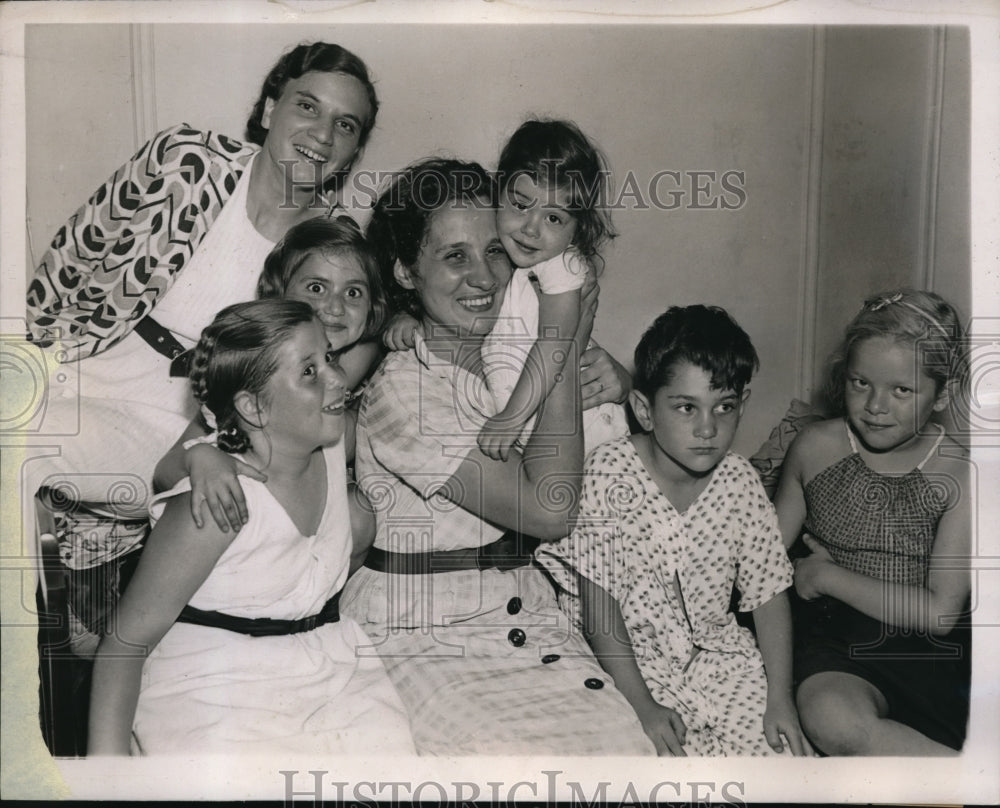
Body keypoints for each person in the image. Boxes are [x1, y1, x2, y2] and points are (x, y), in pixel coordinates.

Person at [339, 157, 655, 756]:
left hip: (528, 607)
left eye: (495, 251)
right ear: (405, 270)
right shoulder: (403, 390)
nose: (483, 277)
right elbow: (550, 510)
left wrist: (617, 379)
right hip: (422, 628)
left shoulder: (511, 360)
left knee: (625, 753)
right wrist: (563, 345)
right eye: (454, 256)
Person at [24, 41, 379, 525]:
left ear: (353, 153)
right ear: (270, 109)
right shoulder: (186, 161)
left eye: (345, 124)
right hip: (72, 360)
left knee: (21, 448)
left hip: (172, 430)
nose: (322, 134)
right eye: (307, 106)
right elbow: (70, 260)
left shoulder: (330, 248)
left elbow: (357, 337)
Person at [87, 299, 415, 756]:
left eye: (330, 357)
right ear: (253, 407)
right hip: (215, 686)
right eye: (309, 372)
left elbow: (381, 359)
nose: (339, 379)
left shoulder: (331, 444)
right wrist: (106, 772)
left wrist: (406, 319)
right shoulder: (216, 505)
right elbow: (126, 642)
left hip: (329, 669)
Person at [538, 305, 810, 757]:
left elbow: (769, 596)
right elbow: (600, 611)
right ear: (645, 410)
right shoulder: (609, 472)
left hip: (721, 659)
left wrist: (780, 698)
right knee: (667, 768)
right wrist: (643, 706)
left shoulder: (740, 481)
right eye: (686, 408)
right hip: (629, 663)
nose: (708, 428)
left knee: (783, 762)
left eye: (724, 407)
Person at [773, 288, 971, 755]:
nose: (875, 405)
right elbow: (761, 558)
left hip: (924, 648)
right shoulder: (814, 447)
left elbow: (940, 613)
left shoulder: (960, 473)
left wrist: (825, 576)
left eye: (902, 390)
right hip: (834, 640)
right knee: (830, 718)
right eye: (860, 383)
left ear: (943, 393)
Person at [382, 118, 628, 461]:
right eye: (521, 205)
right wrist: (408, 316)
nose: (531, 229)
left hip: (594, 440)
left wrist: (512, 417)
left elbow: (555, 345)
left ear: (577, 229)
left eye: (554, 218)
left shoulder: (560, 267)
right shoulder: (519, 267)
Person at [153, 215, 388, 533]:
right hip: (243, 507)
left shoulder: (363, 351)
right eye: (316, 288)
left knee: (358, 513)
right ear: (278, 294)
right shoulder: (254, 364)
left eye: (354, 293)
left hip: (306, 500)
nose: (335, 307)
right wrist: (200, 459)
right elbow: (164, 471)